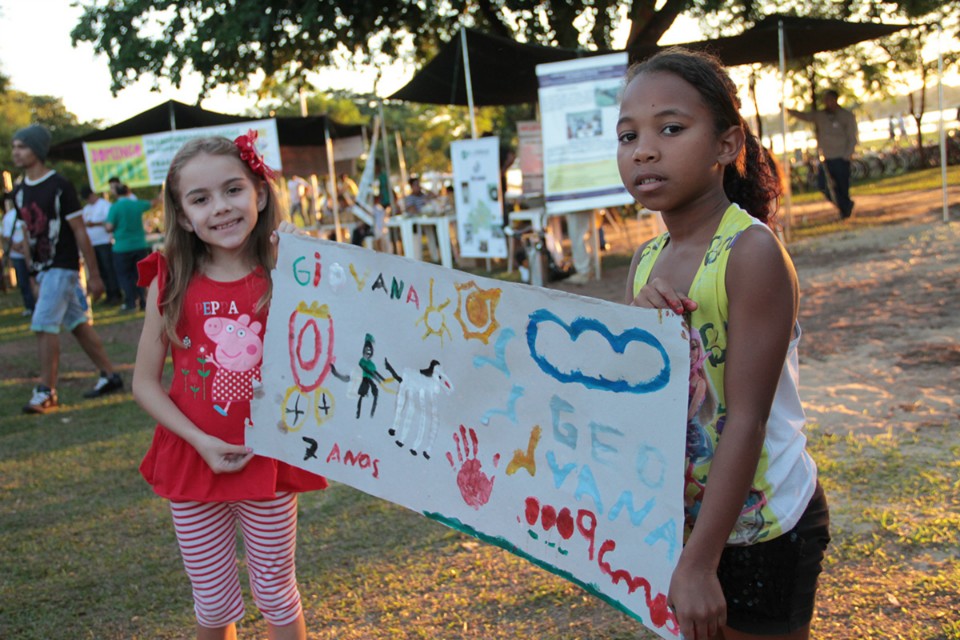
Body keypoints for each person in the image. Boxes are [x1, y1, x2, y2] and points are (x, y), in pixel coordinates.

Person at [618, 49, 829, 640]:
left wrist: (699, 562)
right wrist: (637, 324)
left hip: (763, 525)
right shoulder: (645, 261)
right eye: (628, 135)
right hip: (685, 522)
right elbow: (638, 395)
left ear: (726, 144)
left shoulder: (750, 252)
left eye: (671, 128)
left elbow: (746, 420)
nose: (644, 150)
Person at [132, 133, 327, 640]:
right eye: (200, 199)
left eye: (232, 190)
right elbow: (144, 384)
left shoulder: (287, 272)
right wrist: (201, 442)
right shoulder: (169, 278)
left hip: (266, 455)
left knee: (276, 590)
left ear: (259, 194)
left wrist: (307, 265)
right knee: (213, 601)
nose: (220, 208)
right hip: (191, 459)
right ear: (181, 214)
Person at [10, 124, 123, 413]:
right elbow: (25, 231)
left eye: (21, 146)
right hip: (44, 268)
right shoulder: (20, 190)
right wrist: (33, 271)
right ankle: (110, 375)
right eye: (14, 147)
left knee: (43, 323)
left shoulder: (59, 185)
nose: (16, 152)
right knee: (78, 325)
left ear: (37, 150)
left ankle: (46, 391)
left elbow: (80, 231)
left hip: (63, 266)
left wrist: (95, 275)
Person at [786, 89, 858, 219]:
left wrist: (847, 155)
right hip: (826, 158)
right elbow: (805, 116)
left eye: (830, 99)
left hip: (841, 157)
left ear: (836, 100)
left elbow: (852, 137)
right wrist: (788, 110)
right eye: (825, 100)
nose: (827, 103)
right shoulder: (820, 116)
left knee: (842, 187)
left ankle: (845, 210)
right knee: (822, 185)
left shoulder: (846, 116)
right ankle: (845, 206)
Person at [107, 184, 153, 311]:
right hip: (139, 245)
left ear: (116, 193)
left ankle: (131, 302)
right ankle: (144, 301)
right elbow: (151, 203)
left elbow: (109, 227)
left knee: (125, 276)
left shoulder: (115, 207)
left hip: (121, 247)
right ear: (128, 191)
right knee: (140, 275)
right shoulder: (136, 204)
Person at [80, 186, 122, 304]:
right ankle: (108, 294)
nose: (88, 201)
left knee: (109, 269)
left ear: (92, 195)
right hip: (93, 243)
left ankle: (115, 293)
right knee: (100, 270)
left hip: (104, 241)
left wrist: (95, 224)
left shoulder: (105, 205)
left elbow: (110, 222)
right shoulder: (86, 208)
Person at [2, 202, 36, 315]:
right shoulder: (9, 217)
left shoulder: (31, 211)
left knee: (37, 279)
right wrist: (20, 249)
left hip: (33, 252)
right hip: (17, 255)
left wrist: (26, 247)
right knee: (23, 281)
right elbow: (6, 237)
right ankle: (30, 306)